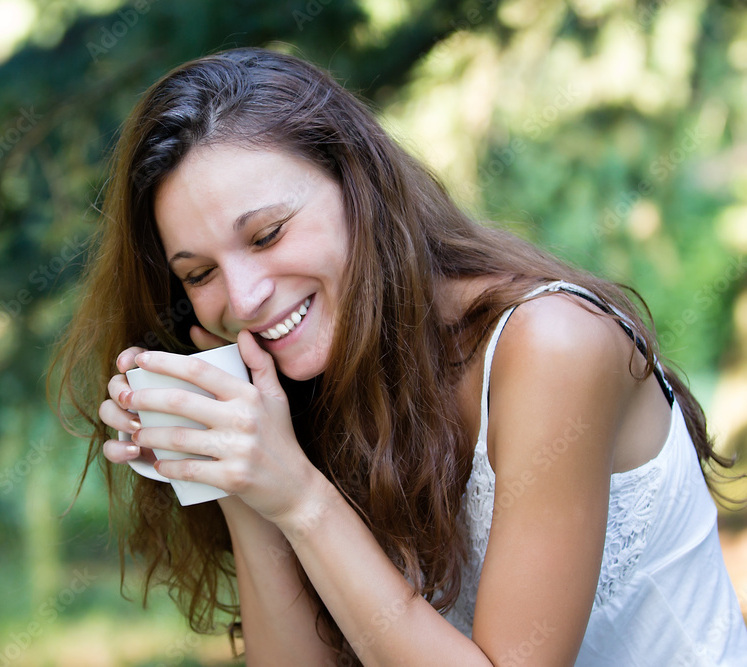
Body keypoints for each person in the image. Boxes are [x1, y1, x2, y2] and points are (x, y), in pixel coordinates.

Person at [49, 47, 747, 665]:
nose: (245, 296)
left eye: (267, 234)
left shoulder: (551, 346)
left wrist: (298, 493)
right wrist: (239, 477)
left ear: (358, 186)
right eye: (199, 274)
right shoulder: (312, 384)